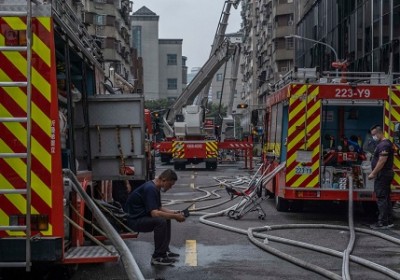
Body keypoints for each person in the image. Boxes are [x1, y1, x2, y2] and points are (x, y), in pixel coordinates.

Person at [125, 169, 186, 265]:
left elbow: (159, 208)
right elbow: (154, 213)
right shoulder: (150, 189)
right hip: (134, 221)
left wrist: (175, 213)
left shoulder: (154, 187)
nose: (170, 188)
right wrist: (175, 217)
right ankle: (157, 257)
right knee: (161, 221)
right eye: (170, 185)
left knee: (167, 218)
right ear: (164, 180)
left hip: (140, 217)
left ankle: (164, 251)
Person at [368, 125, 394, 229]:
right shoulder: (383, 144)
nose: (373, 136)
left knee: (381, 198)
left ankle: (382, 222)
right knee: (386, 198)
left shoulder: (384, 145)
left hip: (383, 175)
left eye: (374, 135)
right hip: (384, 175)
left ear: (379, 133)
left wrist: (373, 173)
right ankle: (388, 221)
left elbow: (382, 161)